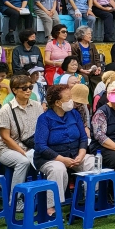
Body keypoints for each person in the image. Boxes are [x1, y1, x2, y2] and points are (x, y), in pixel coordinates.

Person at [34, 83, 95, 214]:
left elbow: (83, 138)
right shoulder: (44, 119)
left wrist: (82, 154)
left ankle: (90, 200)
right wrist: (62, 159)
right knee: (58, 168)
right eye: (68, 98)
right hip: (49, 158)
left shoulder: (74, 114)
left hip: (75, 155)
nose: (71, 101)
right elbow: (40, 146)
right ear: (57, 102)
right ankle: (51, 207)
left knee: (92, 162)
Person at [0, 74, 45, 202]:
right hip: (6, 148)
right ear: (15, 90)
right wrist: (23, 152)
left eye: (30, 87)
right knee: (23, 161)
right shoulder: (6, 110)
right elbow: (5, 138)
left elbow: (41, 128)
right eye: (24, 88)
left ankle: (43, 197)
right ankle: (16, 199)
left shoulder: (37, 106)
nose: (28, 90)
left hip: (32, 145)